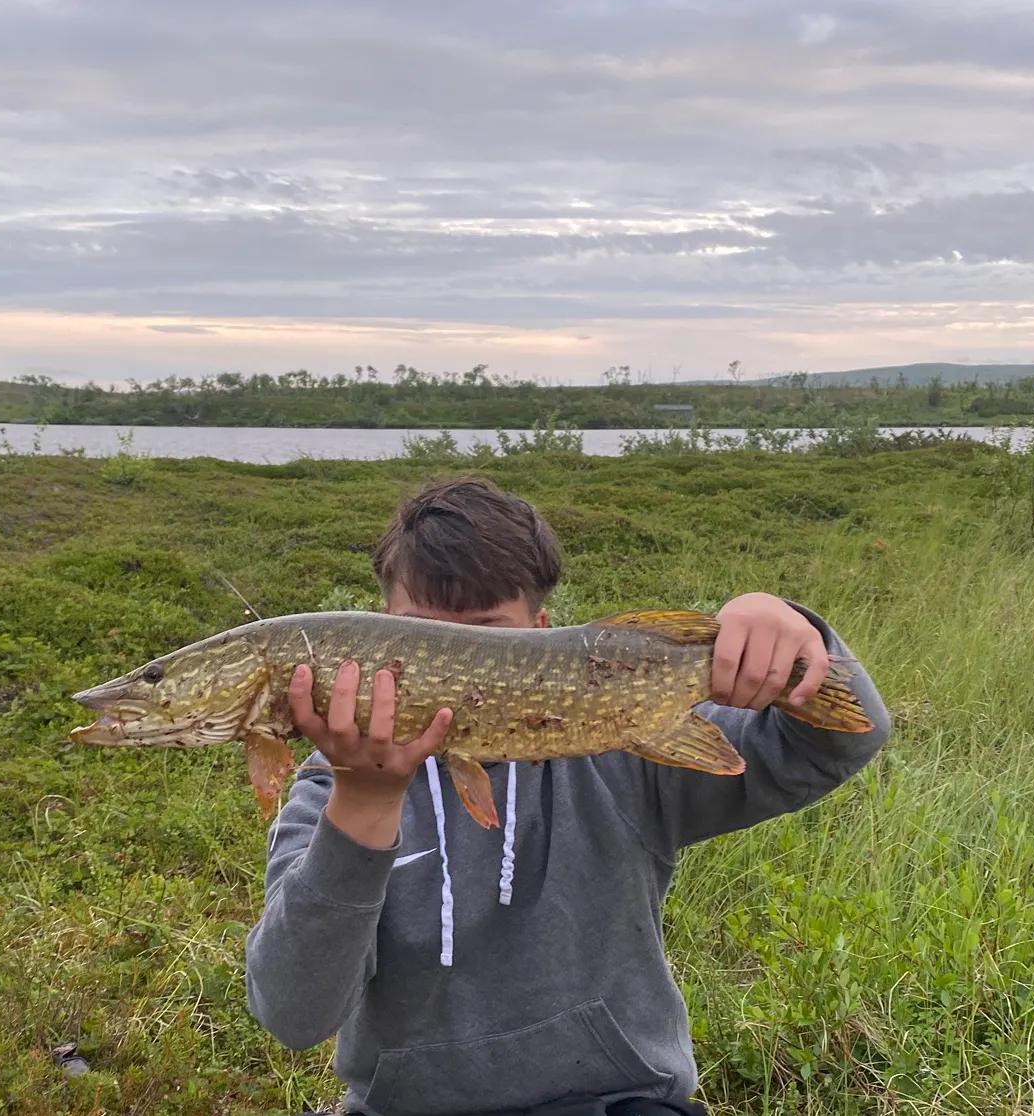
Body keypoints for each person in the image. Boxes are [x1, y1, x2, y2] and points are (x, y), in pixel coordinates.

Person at [246, 476, 890, 1116]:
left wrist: (791, 634)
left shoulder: (618, 751)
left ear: (542, 629)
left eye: (488, 633)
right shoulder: (327, 794)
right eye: (424, 634)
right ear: (381, 630)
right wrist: (365, 807)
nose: (451, 662)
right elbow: (293, 1015)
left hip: (614, 1102)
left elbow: (840, 742)